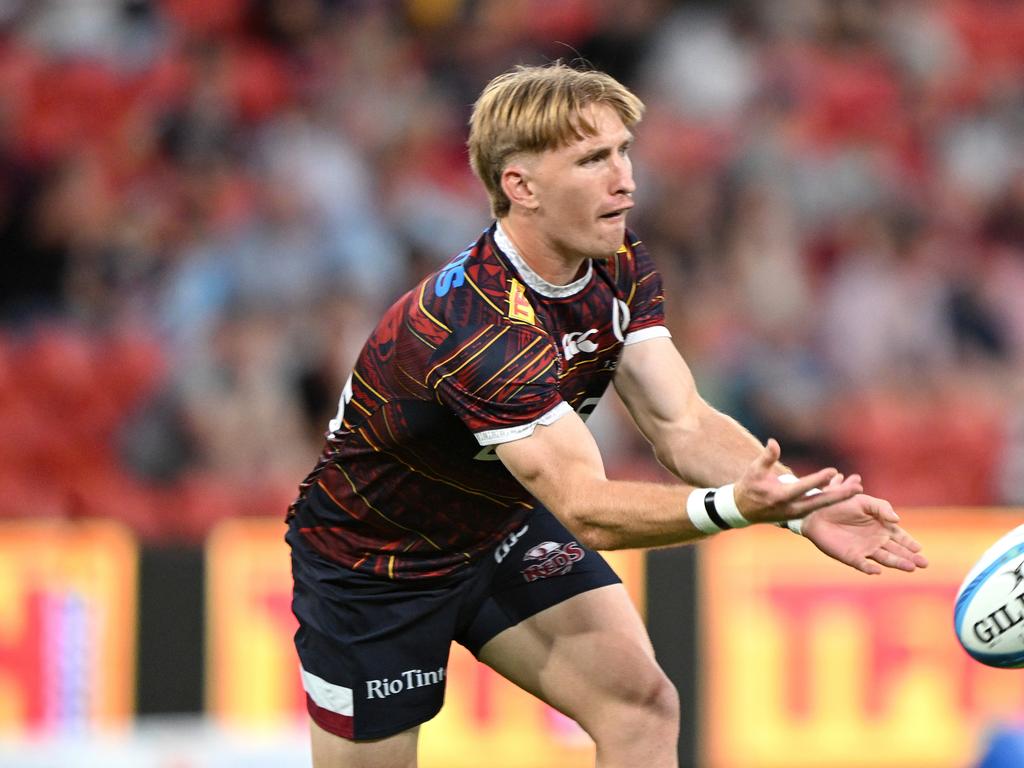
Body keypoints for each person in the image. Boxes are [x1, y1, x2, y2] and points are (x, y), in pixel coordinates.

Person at [285, 62, 929, 768]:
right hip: (377, 567)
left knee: (642, 705)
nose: (625, 178)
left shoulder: (617, 260)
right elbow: (587, 510)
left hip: (499, 524)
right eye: (593, 159)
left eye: (623, 151)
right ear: (520, 187)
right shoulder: (474, 329)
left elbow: (680, 421)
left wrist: (800, 509)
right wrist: (735, 508)